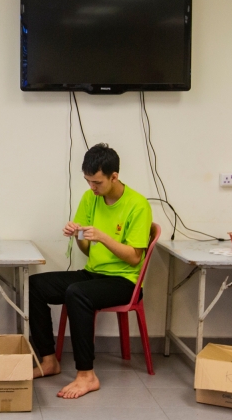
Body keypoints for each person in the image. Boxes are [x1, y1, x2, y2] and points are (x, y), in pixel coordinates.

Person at [29, 143, 152, 399]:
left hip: (124, 282)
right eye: (87, 181)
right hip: (93, 273)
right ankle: (49, 360)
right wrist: (78, 235)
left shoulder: (138, 205)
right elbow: (87, 250)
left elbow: (133, 258)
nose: (92, 188)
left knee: (77, 293)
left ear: (114, 176)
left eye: (97, 182)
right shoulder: (90, 198)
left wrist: (105, 237)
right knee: (36, 285)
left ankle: (87, 375)